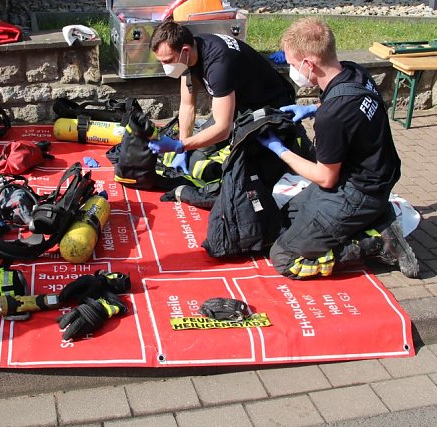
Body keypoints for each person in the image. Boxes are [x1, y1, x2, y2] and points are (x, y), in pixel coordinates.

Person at [256, 18, 419, 279]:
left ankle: (375, 245)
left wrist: (279, 150)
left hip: (356, 191)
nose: (292, 69)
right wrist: (311, 109)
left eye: (293, 64)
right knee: (285, 219)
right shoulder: (355, 73)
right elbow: (344, 110)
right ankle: (377, 219)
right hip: (370, 177)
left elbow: (325, 176)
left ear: (309, 64)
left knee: (284, 257)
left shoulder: (334, 115)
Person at [147, 20, 296, 171]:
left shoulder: (218, 66)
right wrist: (183, 146)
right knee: (195, 151)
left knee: (201, 159)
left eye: (167, 61)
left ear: (185, 50)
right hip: (239, 102)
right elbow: (187, 105)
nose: (165, 67)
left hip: (270, 105)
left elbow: (222, 129)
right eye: (161, 62)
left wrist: (180, 146)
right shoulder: (190, 51)